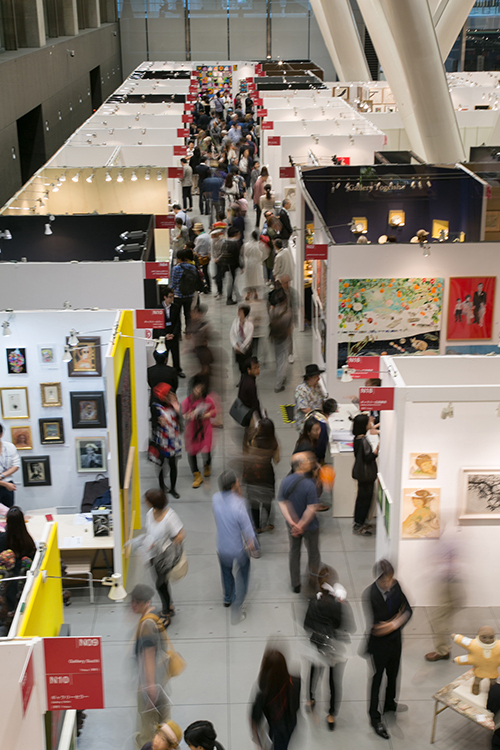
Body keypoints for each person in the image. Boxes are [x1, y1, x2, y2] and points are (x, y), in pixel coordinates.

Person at [362, 559, 412, 740]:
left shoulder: (396, 586)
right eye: (386, 581)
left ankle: (389, 704)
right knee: (377, 679)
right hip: (379, 646)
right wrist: (397, 619)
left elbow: (408, 609)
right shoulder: (371, 594)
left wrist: (393, 623)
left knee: (394, 674)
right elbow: (378, 624)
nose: (389, 583)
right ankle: (374, 717)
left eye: (391, 579)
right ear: (379, 579)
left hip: (394, 642)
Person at [304, 565, 355, 730]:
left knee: (314, 672)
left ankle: (310, 699)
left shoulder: (314, 602)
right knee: (334, 682)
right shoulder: (338, 604)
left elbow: (307, 625)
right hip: (334, 647)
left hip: (318, 645)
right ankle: (332, 714)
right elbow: (347, 626)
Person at [212, 470, 257, 623]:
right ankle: (237, 610)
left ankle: (228, 598)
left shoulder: (215, 499)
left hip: (222, 547)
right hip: (238, 549)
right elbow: (247, 528)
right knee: (243, 576)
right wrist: (252, 546)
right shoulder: (239, 504)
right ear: (233, 485)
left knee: (226, 572)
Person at [131, 583, 171, 746]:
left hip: (150, 684)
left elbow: (148, 655)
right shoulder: (153, 614)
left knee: (147, 725)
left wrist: (149, 687)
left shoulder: (146, 624)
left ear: (146, 602)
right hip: (160, 679)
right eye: (133, 601)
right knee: (163, 720)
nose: (134, 605)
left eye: (137, 602)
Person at [278, 452, 321, 594]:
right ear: (301, 465)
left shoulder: (285, 481)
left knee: (294, 552)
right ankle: (313, 581)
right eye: (307, 461)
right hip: (310, 527)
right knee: (313, 553)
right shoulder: (310, 485)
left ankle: (295, 584)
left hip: (292, 528)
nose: (309, 462)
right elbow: (311, 508)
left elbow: (282, 502)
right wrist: (302, 525)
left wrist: (292, 523)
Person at [144, 488, 185, 627]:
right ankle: (169, 605)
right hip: (154, 555)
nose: (145, 502)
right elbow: (149, 532)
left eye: (147, 500)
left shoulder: (170, 516)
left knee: (160, 584)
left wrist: (168, 545)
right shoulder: (150, 514)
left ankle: (166, 612)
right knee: (161, 583)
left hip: (165, 556)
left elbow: (180, 535)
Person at [250, 647, 301, 750]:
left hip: (276, 728)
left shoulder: (263, 694)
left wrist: (258, 743)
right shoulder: (295, 681)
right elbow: (296, 707)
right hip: (290, 724)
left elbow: (255, 719)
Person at [242, 417, 280, 534]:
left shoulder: (254, 441)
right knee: (267, 499)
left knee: (254, 501)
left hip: (254, 474)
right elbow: (277, 460)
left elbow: (249, 455)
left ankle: (257, 526)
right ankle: (267, 523)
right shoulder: (274, 443)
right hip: (267, 474)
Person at [182, 375, 217, 489]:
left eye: (200, 388)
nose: (197, 391)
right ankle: (196, 474)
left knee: (206, 449)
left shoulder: (207, 399)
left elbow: (214, 411)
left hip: (205, 429)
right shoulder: (187, 401)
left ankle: (207, 465)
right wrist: (188, 415)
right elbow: (183, 414)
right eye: (196, 388)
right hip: (192, 430)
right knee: (192, 452)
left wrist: (207, 414)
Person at [151, 383, 182, 498]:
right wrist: (159, 422)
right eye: (167, 394)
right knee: (162, 464)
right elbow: (154, 423)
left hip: (173, 439)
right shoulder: (156, 407)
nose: (170, 395)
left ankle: (173, 488)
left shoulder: (173, 405)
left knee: (173, 463)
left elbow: (179, 421)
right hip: (162, 440)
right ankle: (162, 487)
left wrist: (177, 409)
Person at [351, 413, 378, 536]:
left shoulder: (357, 439)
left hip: (362, 474)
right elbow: (368, 458)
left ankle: (360, 522)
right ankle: (360, 524)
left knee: (362, 498)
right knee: (364, 499)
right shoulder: (363, 441)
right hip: (366, 475)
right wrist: (376, 452)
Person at [268, 286, 293, 393]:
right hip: (284, 339)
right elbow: (290, 328)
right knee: (283, 361)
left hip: (274, 338)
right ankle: (278, 385)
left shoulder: (272, 310)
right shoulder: (288, 313)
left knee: (278, 359)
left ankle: (281, 377)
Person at [157, 286, 185, 379]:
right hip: (163, 336)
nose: (172, 298)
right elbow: (158, 324)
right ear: (165, 297)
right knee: (163, 354)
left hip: (173, 334)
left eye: (173, 296)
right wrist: (165, 335)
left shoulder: (176, 307)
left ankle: (177, 369)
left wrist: (174, 334)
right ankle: (163, 371)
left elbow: (178, 321)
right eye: (170, 297)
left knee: (175, 353)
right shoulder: (158, 308)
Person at [171, 249, 198, 332]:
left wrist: (171, 290)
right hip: (189, 294)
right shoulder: (193, 267)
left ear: (180, 259)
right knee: (187, 314)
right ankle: (188, 330)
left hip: (178, 295)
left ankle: (178, 332)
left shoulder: (176, 268)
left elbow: (174, 282)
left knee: (177, 315)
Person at [294, 364, 324, 433]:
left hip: (317, 422)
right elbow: (305, 409)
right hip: (306, 425)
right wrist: (320, 416)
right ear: (309, 378)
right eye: (316, 376)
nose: (319, 378)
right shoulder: (301, 390)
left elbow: (321, 399)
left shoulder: (317, 386)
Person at [218, 225, 242, 305]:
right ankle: (229, 298)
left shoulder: (225, 242)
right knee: (231, 281)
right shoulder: (235, 244)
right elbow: (236, 256)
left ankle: (234, 296)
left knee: (230, 281)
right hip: (232, 265)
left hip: (225, 264)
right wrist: (240, 266)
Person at [0, 424, 20, 508]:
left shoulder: (9, 447)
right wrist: (4, 484)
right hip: (6, 484)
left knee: (8, 513)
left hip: (8, 484)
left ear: (1, 434)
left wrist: (2, 476)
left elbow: (16, 465)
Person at [230, 305, 254, 374]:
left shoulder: (250, 324)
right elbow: (232, 334)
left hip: (246, 349)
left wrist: (242, 348)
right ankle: (242, 381)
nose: (239, 313)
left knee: (246, 366)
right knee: (240, 366)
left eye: (241, 312)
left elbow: (249, 338)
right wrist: (235, 345)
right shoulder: (235, 322)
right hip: (237, 348)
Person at [243, 231, 266, 297]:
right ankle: (255, 293)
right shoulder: (260, 245)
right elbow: (263, 254)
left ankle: (248, 294)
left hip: (249, 263)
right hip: (257, 264)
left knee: (249, 280)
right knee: (256, 279)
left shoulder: (247, 245)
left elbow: (246, 253)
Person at [193, 223, 211, 293]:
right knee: (206, 272)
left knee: (202, 273)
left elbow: (196, 249)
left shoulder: (199, 238)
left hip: (201, 257)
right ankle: (208, 286)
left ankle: (205, 287)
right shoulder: (207, 235)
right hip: (207, 256)